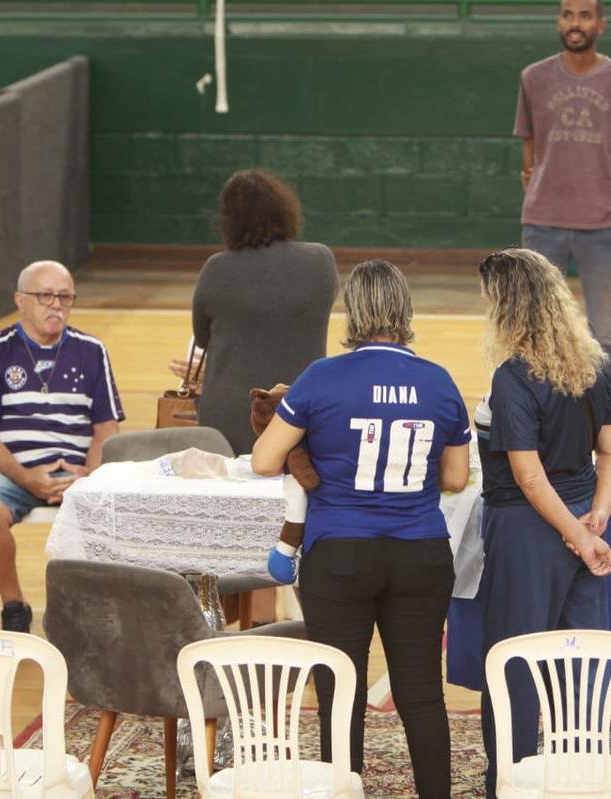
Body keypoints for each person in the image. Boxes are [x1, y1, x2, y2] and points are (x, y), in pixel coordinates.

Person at [252, 260, 471, 799]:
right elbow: (457, 477)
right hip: (421, 551)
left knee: (340, 692)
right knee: (421, 693)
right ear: (405, 311)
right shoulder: (438, 380)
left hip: (341, 555)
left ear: (352, 312)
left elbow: (263, 460)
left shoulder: (321, 377)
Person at [474, 247, 611, 799]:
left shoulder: (513, 376)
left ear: (508, 308)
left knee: (514, 665)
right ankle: (578, 780)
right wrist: (596, 520)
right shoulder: (592, 367)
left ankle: (511, 784)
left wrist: (577, 533)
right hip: (585, 518)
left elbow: (529, 476)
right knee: (582, 665)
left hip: (529, 531)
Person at [0, 260, 123, 633]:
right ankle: (15, 604)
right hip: (13, 472)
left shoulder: (92, 351)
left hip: (76, 473)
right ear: (20, 300)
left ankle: (82, 615)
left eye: (65, 296)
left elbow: (106, 428)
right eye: (45, 295)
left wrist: (90, 474)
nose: (56, 305)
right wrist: (26, 477)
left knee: (114, 513)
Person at [513, 0, 611, 400]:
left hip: (602, 224)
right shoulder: (534, 77)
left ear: (600, 24)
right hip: (543, 221)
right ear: (559, 21)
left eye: (585, 15)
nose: (575, 22)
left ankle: (606, 425)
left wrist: (594, 177)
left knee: (604, 333)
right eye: (568, 14)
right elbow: (530, 143)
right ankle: (537, 419)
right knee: (533, 328)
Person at [192, 169, 338, 455]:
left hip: (227, 417)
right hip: (301, 411)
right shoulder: (321, 260)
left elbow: (201, 338)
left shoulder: (216, 268)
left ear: (228, 220)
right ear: (284, 210)